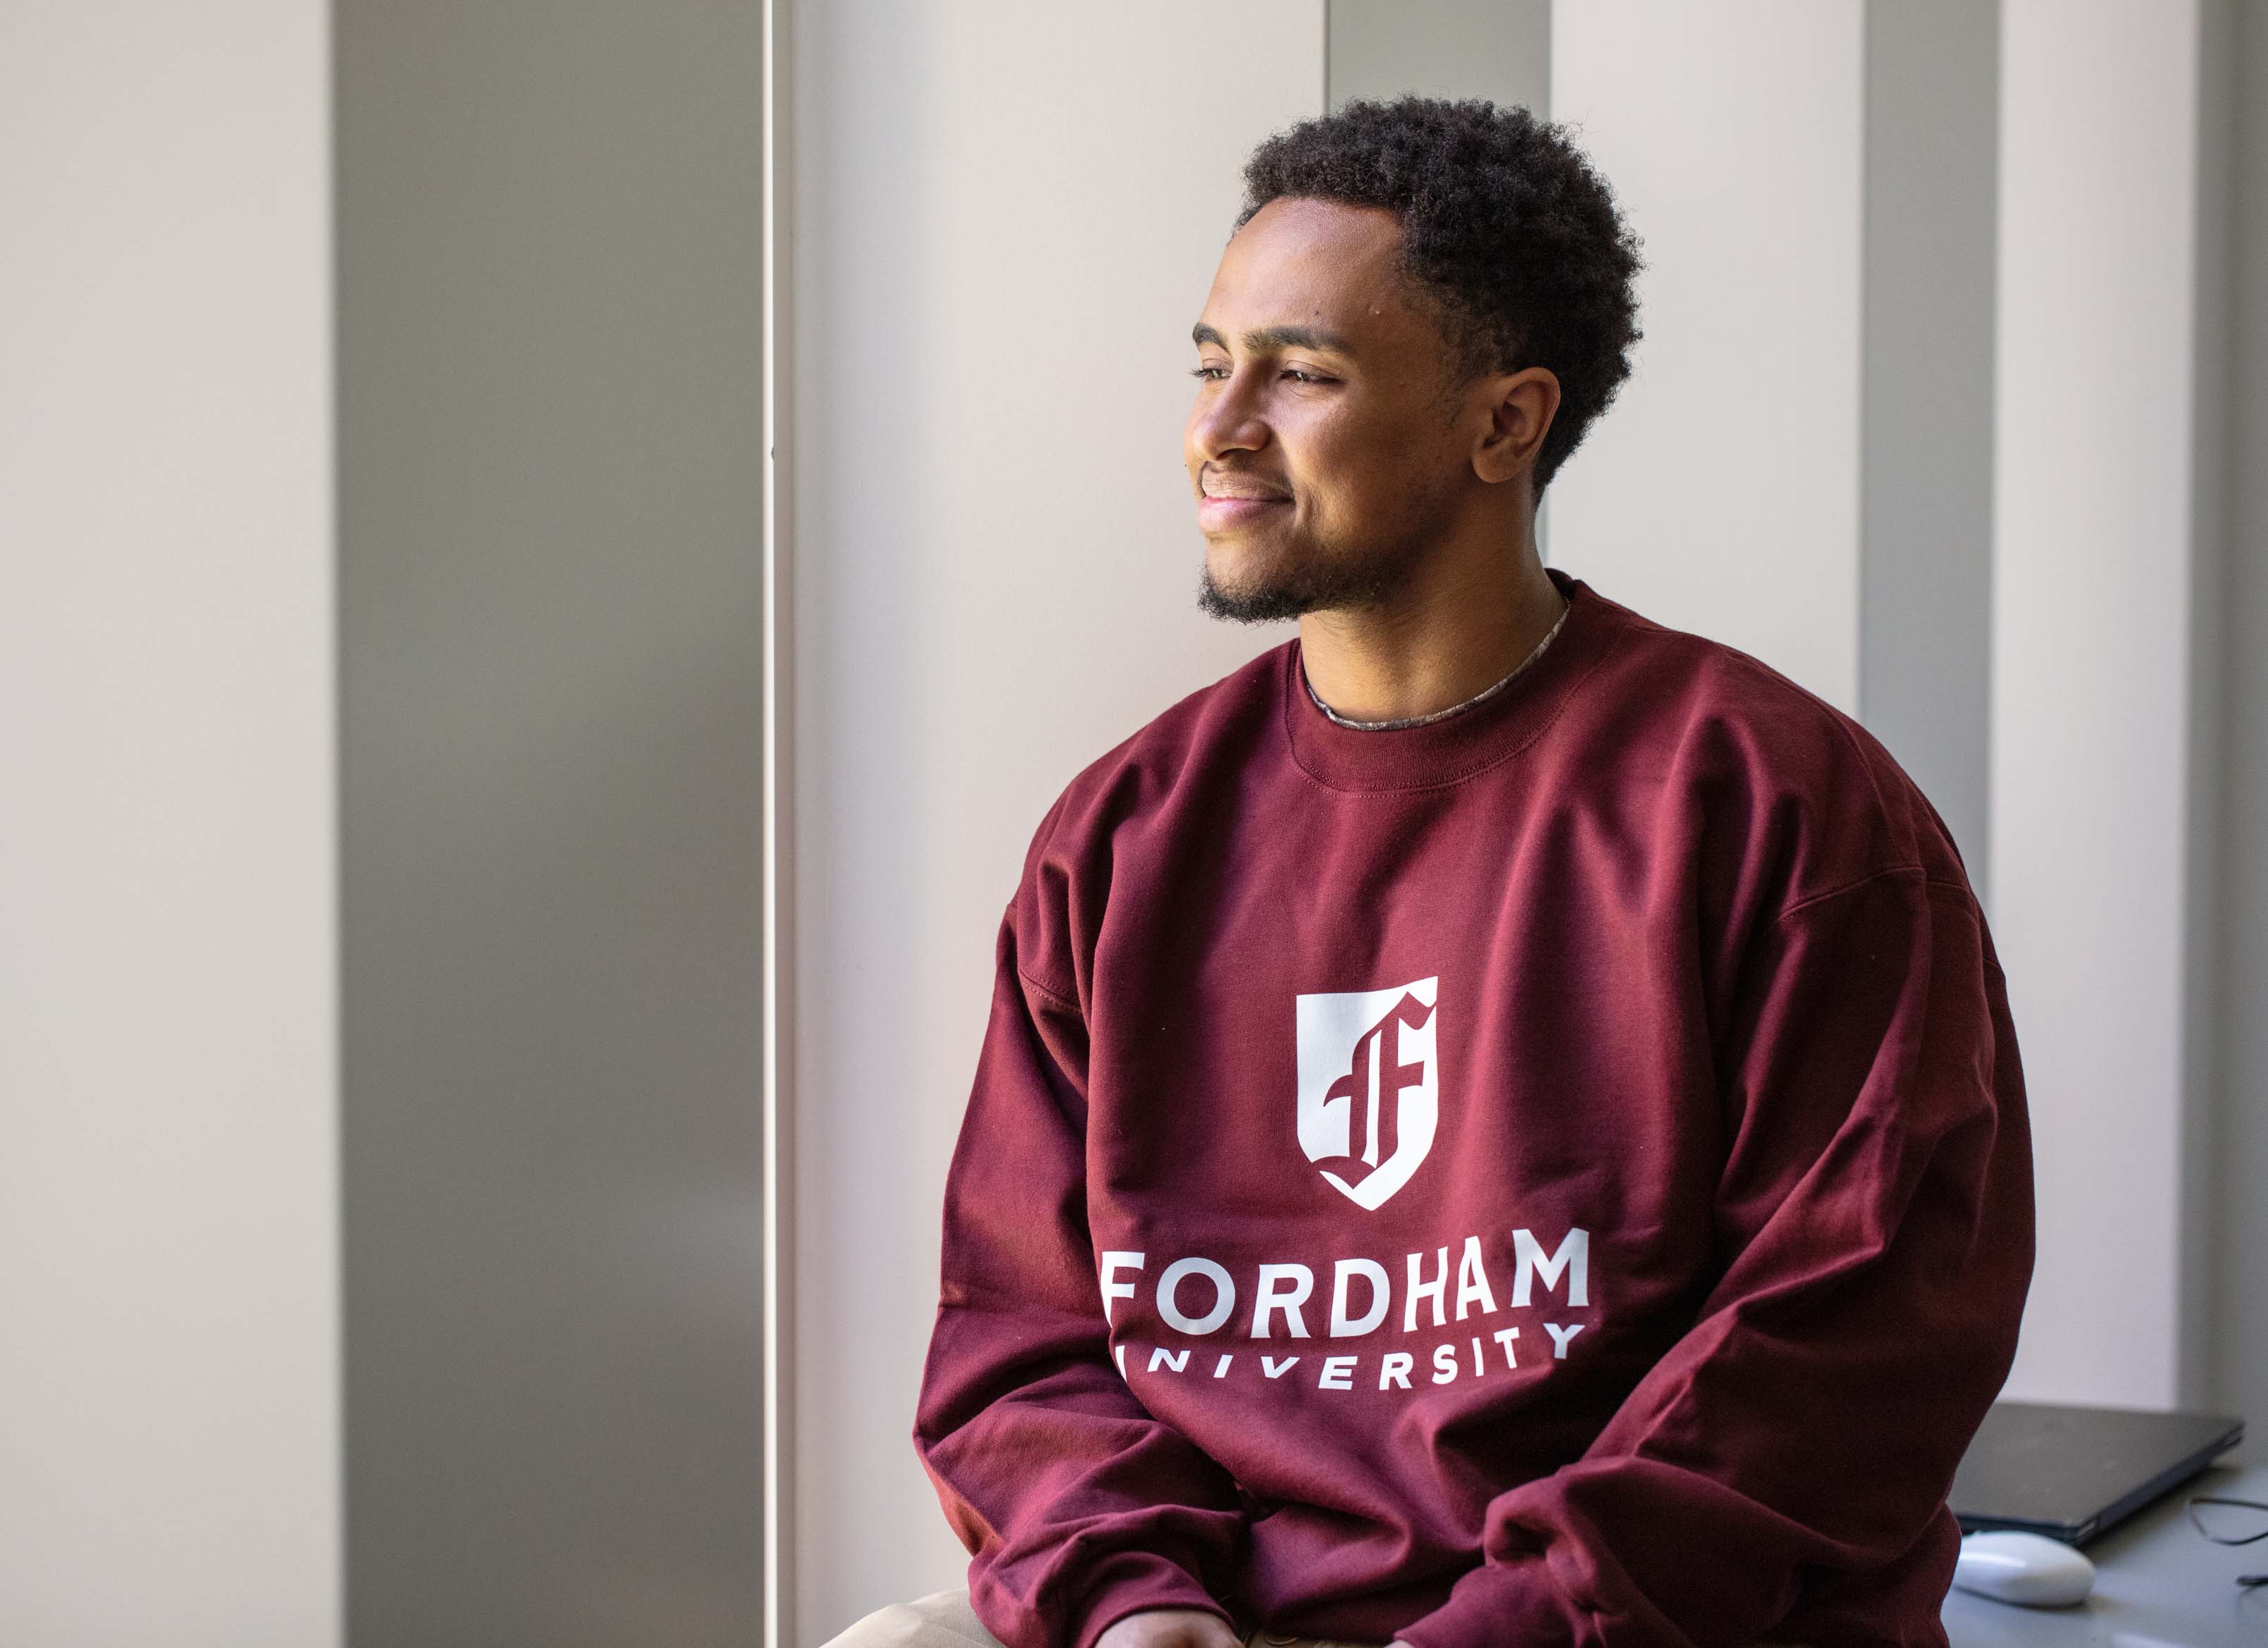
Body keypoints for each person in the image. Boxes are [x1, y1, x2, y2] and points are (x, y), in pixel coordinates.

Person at [826, 96, 2034, 1648]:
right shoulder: (1124, 834)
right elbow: (1017, 1335)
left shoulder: (1776, 806)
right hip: (1217, 1616)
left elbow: (1848, 1349)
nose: (1220, 425)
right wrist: (1132, 1607)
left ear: (1503, 424)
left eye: (1302, 373)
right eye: (1211, 362)